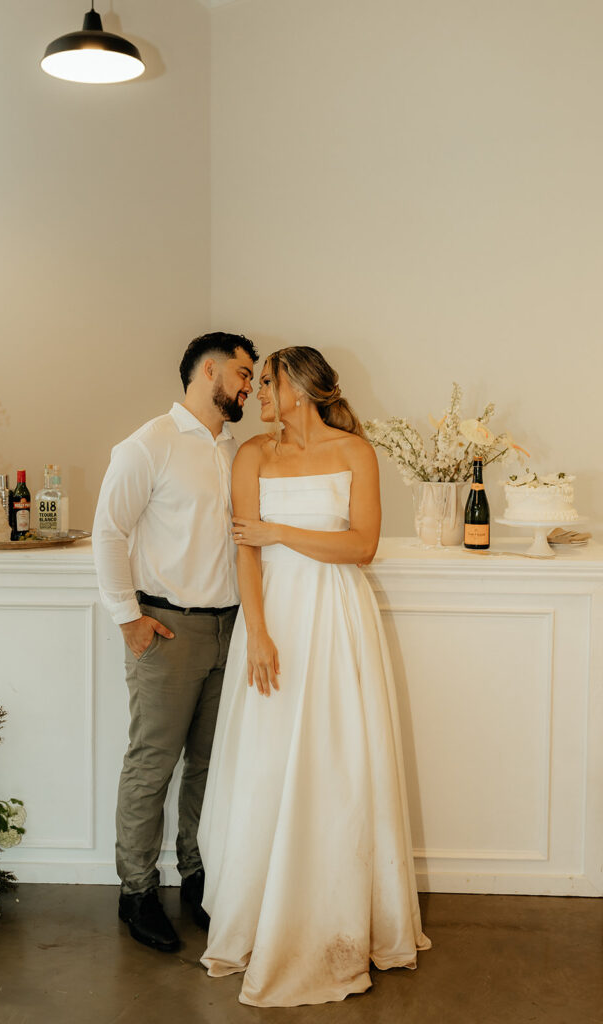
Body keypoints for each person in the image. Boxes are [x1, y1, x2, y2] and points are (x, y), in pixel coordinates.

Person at [198, 346, 431, 1006]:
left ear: (300, 388)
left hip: (336, 620)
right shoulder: (252, 456)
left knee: (340, 762)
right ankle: (259, 913)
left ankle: (341, 918)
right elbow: (246, 551)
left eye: (266, 382)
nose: (257, 394)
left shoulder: (355, 453)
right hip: (274, 622)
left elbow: (361, 546)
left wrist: (277, 528)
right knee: (269, 762)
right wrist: (260, 633)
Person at [92, 331, 259, 953]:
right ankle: (135, 892)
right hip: (167, 628)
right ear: (208, 371)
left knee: (210, 767)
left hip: (229, 628)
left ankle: (197, 880)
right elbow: (108, 532)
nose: (250, 385)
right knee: (152, 764)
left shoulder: (230, 447)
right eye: (244, 373)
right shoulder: (150, 444)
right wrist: (127, 617)